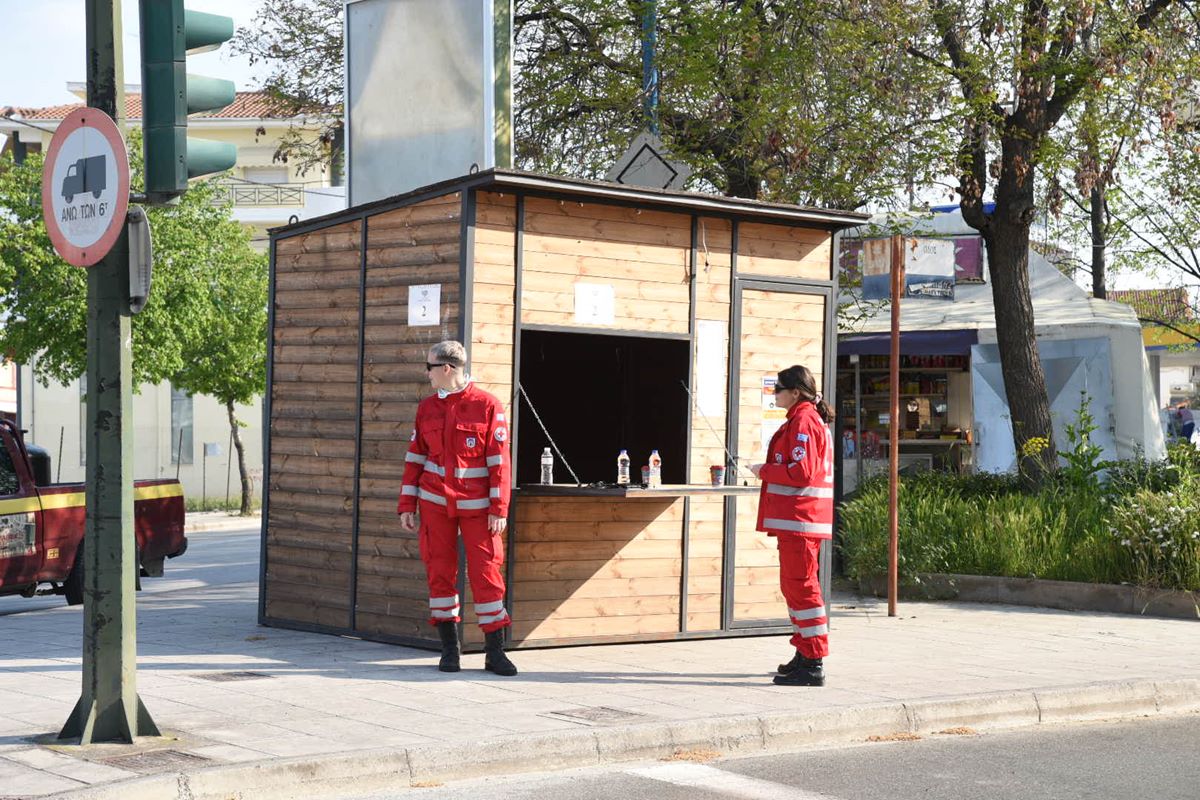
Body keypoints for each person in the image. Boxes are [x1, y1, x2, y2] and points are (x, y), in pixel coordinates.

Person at [398, 340, 517, 676]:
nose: (427, 373)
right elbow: (414, 459)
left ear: (447, 368)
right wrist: (407, 503)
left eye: (430, 367)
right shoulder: (426, 408)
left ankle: (496, 653)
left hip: (480, 509)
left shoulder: (488, 405)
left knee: (487, 576)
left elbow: (500, 464)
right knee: (439, 572)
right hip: (435, 505)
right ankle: (449, 651)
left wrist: (499, 508)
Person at [750, 365, 834, 687]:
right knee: (794, 587)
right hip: (798, 522)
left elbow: (801, 473)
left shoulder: (804, 421)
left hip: (802, 521)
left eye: (778, 389)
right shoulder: (804, 419)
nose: (774, 394)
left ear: (796, 392)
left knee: (802, 588)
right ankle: (804, 652)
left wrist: (765, 471)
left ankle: (812, 663)